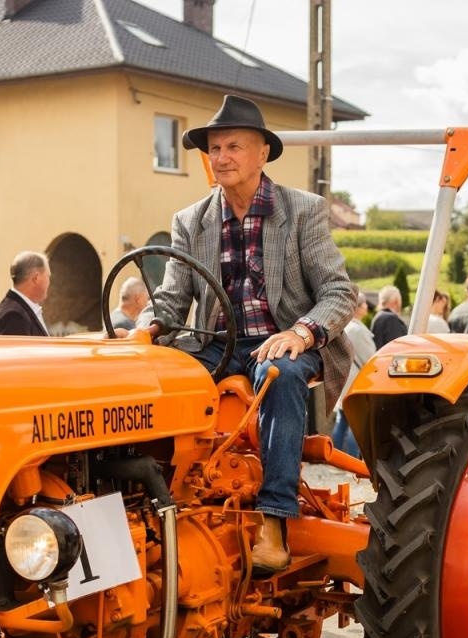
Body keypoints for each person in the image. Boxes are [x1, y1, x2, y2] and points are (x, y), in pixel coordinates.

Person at [138, 94, 357, 572]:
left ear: (262, 154)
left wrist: (302, 332)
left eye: (234, 146)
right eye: (215, 148)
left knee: (277, 372)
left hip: (283, 339)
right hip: (218, 344)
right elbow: (172, 299)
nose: (222, 158)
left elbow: (340, 293)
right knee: (155, 381)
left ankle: (275, 520)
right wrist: (142, 332)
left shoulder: (303, 211)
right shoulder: (190, 221)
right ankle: (160, 506)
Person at [330, 292, 378, 457]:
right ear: (358, 308)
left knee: (342, 420)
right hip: (356, 381)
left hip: (343, 379)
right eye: (365, 304)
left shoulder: (343, 328)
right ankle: (353, 458)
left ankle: (334, 456)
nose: (367, 307)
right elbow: (371, 359)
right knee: (356, 424)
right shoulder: (358, 330)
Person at [0, 251, 51, 336]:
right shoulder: (14, 316)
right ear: (36, 278)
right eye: (48, 276)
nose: (49, 282)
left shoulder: (21, 309)